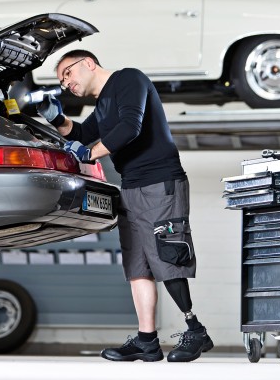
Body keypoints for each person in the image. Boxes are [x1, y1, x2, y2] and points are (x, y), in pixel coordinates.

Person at [35, 49, 214, 363]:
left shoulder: (129, 79)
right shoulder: (103, 105)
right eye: (62, 81)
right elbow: (80, 133)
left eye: (67, 74)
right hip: (131, 185)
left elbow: (131, 127)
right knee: (138, 266)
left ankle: (195, 329)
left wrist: (90, 154)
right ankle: (147, 341)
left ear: (88, 63)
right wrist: (55, 117)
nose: (66, 85)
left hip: (160, 180)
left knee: (167, 254)